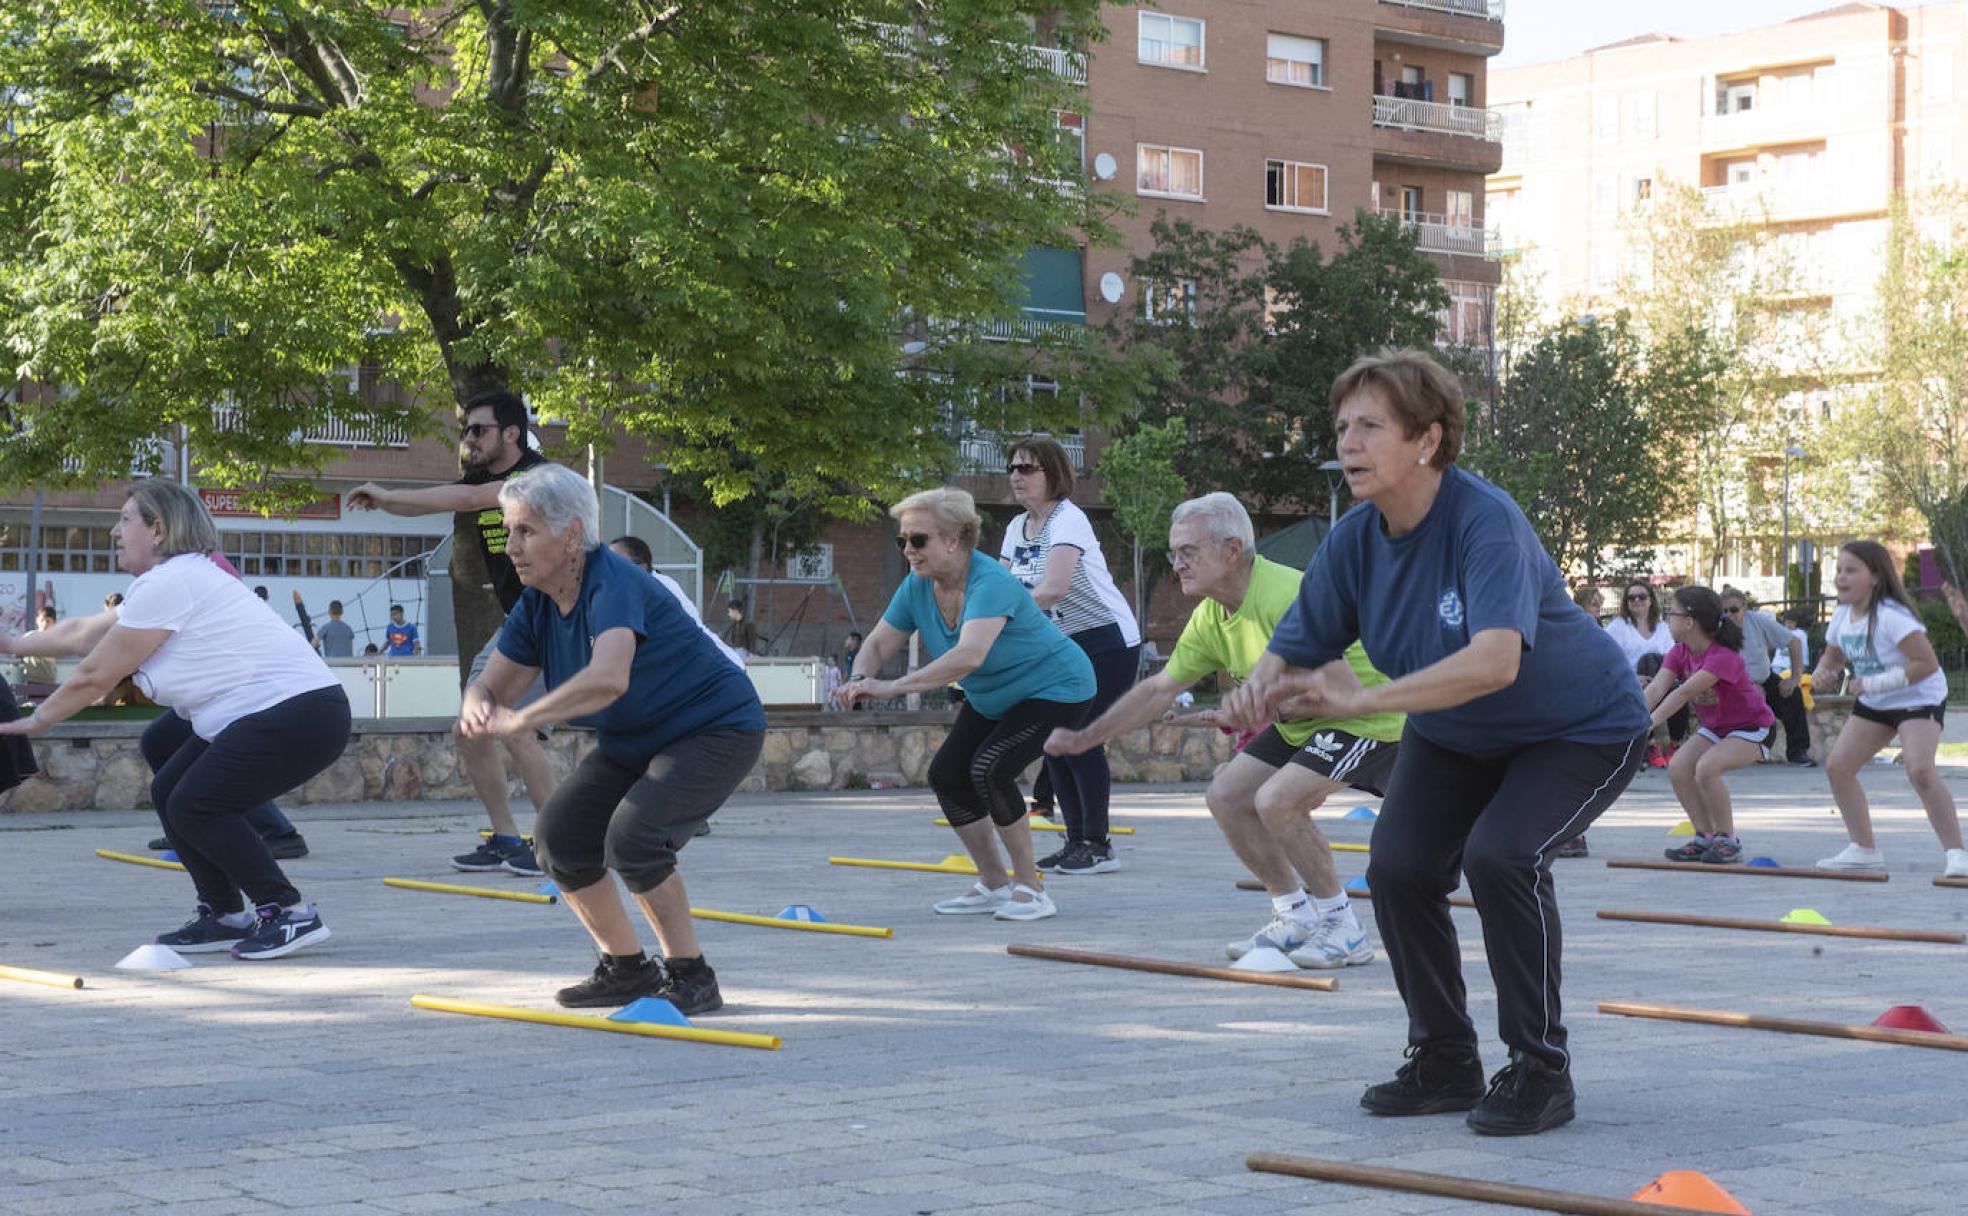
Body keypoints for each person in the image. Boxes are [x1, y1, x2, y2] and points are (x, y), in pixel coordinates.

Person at [1218, 350, 1649, 1137]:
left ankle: (1541, 1069)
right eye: (1342, 426)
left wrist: (1370, 698)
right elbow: (1299, 638)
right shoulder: (1354, 539)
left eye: (1371, 426)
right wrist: (1264, 679)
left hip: (1580, 728)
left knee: (1502, 856)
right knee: (1399, 866)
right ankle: (1446, 1057)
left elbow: (1494, 662)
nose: (1348, 442)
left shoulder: (1484, 521)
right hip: (1457, 735)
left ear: (1427, 439)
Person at [1045, 491, 1401, 968]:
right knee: (1226, 796)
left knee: (1277, 800)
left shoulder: (1285, 595)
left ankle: (1344, 927)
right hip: (1304, 722)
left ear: (1232, 550)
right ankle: (1294, 916)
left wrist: (1263, 702)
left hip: (1367, 719)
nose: (1176, 565)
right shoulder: (1211, 615)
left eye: (1187, 552)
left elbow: (1341, 689)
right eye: (1174, 553)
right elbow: (1157, 691)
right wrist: (1086, 737)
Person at [0, 480, 350, 959]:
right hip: (278, 711)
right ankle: (225, 914)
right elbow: (85, 632)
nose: (114, 531)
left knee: (195, 802)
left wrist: (36, 720)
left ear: (159, 530)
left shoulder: (172, 582)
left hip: (298, 712)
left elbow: (96, 673)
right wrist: (14, 644)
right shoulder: (170, 581)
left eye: (125, 520)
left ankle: (287, 912)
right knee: (170, 790)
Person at [461, 465, 766, 1012]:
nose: (511, 547)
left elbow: (608, 678)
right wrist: (477, 702)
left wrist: (521, 719)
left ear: (571, 534)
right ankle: (627, 970)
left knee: (635, 838)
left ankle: (693, 976)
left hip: (714, 728)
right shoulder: (536, 601)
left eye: (525, 531)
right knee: (558, 840)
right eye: (510, 532)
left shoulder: (613, 583)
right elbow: (493, 682)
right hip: (636, 738)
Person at [834, 487, 1093, 921]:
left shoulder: (990, 582)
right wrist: (859, 677)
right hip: (994, 695)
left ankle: (1031, 888)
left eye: (919, 540)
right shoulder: (917, 586)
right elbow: (879, 642)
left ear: (954, 539)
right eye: (903, 541)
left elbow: (969, 655)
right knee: (948, 775)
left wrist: (891, 687)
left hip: (1056, 688)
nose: (908, 551)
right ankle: (994, 883)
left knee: (991, 769)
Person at [349, 389, 558, 877]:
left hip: (558, 614)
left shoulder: (537, 476)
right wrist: (382, 503)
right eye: (464, 431)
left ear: (512, 433)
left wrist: (390, 491)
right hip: (524, 616)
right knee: (471, 726)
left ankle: (560, 843)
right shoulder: (483, 478)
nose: (468, 440)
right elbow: (459, 497)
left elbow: (465, 499)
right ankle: (508, 839)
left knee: (512, 725)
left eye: (478, 430)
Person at [1000, 436, 1142, 875]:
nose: (1016, 476)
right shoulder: (1014, 527)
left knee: (1080, 738)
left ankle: (1098, 846)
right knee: (1053, 741)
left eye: (1028, 469)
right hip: (1060, 646)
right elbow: (1002, 589)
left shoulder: (1069, 519)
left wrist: (1001, 618)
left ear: (1053, 474)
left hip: (1107, 640)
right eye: (1012, 468)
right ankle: (1075, 840)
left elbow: (1055, 587)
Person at [1812, 541, 1967, 877]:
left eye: (1851, 570)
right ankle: (1863, 850)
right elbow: (1834, 655)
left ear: (1876, 576)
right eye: (1838, 570)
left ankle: (1957, 855)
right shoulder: (1841, 615)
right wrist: (1825, 672)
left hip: (1918, 698)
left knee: (1920, 770)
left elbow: (1926, 663)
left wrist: (1876, 683)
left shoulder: (1893, 617)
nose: (1841, 577)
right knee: (1838, 767)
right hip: (1876, 703)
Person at [1644, 587, 1775, 865]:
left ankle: (1727, 839)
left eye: (1671, 614)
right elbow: (1656, 688)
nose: (1667, 620)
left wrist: (1649, 722)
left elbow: (1682, 694)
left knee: (1706, 768)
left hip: (1752, 728)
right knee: (1679, 768)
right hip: (1717, 728)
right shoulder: (1679, 652)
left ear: (1689, 622)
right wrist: (1632, 718)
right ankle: (1704, 837)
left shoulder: (1722, 657)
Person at [1719, 587, 1812, 767]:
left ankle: (1798, 752)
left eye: (1734, 610)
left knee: (1793, 695)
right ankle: (1752, 750)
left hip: (1763, 679)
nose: (1729, 615)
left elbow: (1794, 642)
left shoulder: (1758, 620)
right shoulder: (1716, 628)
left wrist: (1795, 678)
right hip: (1732, 685)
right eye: (1725, 611)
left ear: (1744, 608)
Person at [1605, 580, 1683, 766]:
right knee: (1645, 664)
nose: (1637, 601)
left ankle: (1675, 743)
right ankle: (1650, 743)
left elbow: (1670, 656)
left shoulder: (1662, 627)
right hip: (1629, 679)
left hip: (1661, 677)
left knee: (1675, 686)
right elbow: (1607, 655)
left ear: (1650, 600)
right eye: (1631, 597)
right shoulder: (1619, 626)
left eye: (1642, 596)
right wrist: (1632, 677)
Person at [14, 607, 60, 702]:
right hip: (32, 680)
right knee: (31, 707)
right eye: (42, 620)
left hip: (49, 681)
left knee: (47, 709)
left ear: (54, 623)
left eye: (48, 621)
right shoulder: (30, 637)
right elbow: (16, 652)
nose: (45, 624)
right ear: (37, 621)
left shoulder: (55, 639)